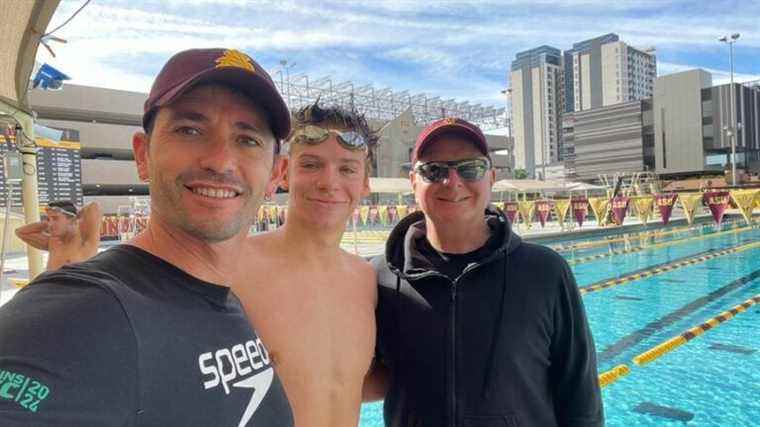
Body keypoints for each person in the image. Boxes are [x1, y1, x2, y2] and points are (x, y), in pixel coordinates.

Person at [0, 48, 294, 426]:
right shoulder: (83, 311)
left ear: (275, 173)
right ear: (143, 155)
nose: (220, 161)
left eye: (248, 139)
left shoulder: (217, 297)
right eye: (190, 130)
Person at [368, 118, 603, 426]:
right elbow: (345, 378)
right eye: (433, 170)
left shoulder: (545, 272)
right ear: (413, 181)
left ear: (491, 177)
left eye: (470, 168)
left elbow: (580, 396)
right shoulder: (379, 276)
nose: (452, 181)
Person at [232, 102, 377, 426]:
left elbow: (343, 384)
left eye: (347, 169)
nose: (329, 182)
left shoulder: (366, 279)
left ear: (365, 183)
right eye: (311, 165)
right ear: (283, 173)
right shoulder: (234, 268)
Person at [15, 200, 102, 270]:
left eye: (55, 218)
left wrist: (74, 212)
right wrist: (48, 222)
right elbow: (20, 232)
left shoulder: (85, 239)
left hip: (77, 290)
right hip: (49, 288)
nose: (50, 224)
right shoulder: (52, 242)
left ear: (72, 220)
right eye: (48, 219)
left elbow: (94, 206)